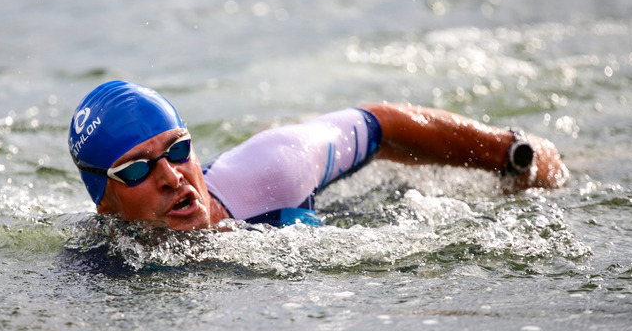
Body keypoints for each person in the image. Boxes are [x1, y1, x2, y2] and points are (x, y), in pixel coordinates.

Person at [68, 80, 569, 231]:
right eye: (137, 167)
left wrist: (511, 154)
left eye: (178, 151)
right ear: (104, 202)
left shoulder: (272, 170)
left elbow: (381, 124)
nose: (172, 177)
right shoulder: (98, 268)